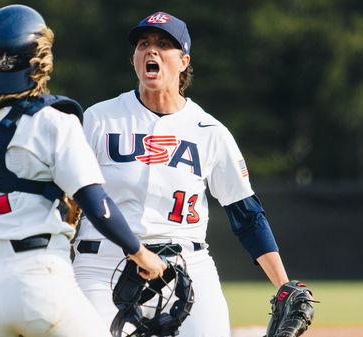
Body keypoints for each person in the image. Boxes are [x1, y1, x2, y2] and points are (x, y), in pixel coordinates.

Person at [0, 5, 165, 337]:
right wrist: (139, 253)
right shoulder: (54, 122)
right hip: (40, 277)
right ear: (39, 63)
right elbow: (96, 202)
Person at [72, 11, 292, 336]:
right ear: (134, 58)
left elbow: (247, 215)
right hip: (101, 263)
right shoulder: (100, 118)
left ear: (184, 61)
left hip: (186, 265)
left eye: (164, 44)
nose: (151, 51)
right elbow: (68, 198)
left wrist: (284, 285)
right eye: (143, 44)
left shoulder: (209, 131)